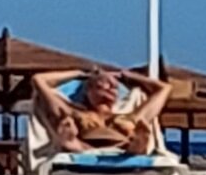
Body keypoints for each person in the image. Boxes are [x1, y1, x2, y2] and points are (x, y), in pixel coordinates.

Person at [29, 66, 170, 157]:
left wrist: (127, 75)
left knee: (136, 129)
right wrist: (78, 74)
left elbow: (164, 88)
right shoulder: (74, 111)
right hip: (83, 149)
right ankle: (70, 142)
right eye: (104, 84)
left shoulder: (130, 115)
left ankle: (138, 145)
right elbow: (38, 80)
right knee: (68, 130)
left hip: (125, 151)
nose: (111, 88)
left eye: (115, 87)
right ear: (89, 91)